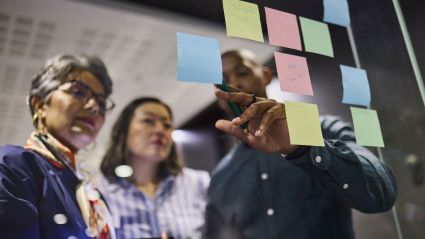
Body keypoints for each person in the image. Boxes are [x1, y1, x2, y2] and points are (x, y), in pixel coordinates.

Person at [204, 49, 398, 239]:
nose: (234, 83)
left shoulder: (325, 129)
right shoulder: (221, 177)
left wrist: (303, 147)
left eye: (242, 72)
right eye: (223, 81)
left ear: (265, 75)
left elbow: (381, 193)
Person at [0, 54, 116, 239]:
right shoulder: (13, 165)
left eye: (101, 103)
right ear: (40, 105)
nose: (94, 106)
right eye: (78, 92)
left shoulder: (94, 196)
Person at [96, 97, 210, 239]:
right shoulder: (100, 191)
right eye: (148, 121)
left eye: (167, 125)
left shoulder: (198, 183)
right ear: (124, 131)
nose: (160, 130)